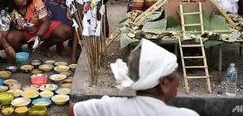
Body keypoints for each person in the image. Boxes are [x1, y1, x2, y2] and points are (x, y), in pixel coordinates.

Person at [68, 39, 199, 116]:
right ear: (164, 83)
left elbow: (72, 110)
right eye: (175, 73)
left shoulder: (110, 107)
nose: (178, 79)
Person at [2, 0, 72, 57]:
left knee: (66, 30)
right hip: (23, 33)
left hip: (41, 29)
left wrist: (38, 36)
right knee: (10, 37)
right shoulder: (7, 9)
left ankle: (45, 46)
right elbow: (3, 32)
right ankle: (19, 54)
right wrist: (5, 45)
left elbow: (45, 21)